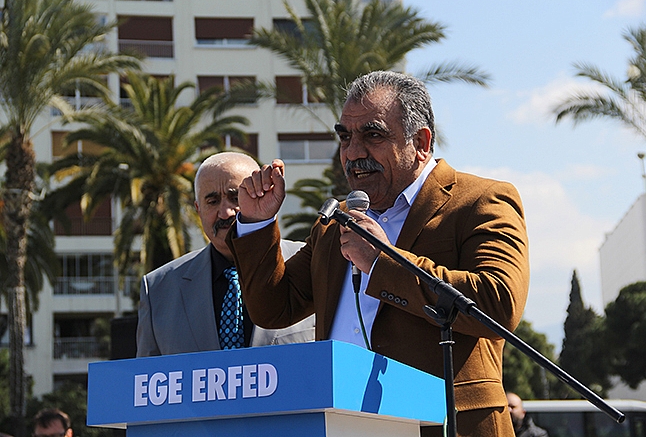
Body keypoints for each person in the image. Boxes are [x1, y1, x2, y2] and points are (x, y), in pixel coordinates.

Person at [228, 71, 529, 437]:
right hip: (342, 424)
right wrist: (257, 224)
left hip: (445, 425)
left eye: (373, 135)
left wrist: (381, 262)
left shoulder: (479, 201)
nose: (353, 152)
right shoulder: (336, 223)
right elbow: (274, 308)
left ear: (420, 142)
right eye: (345, 137)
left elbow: (499, 304)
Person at [136, 152, 315, 356]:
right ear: (198, 209)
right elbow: (147, 373)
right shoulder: (158, 290)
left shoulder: (312, 267)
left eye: (236, 198)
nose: (226, 212)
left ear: (263, 194)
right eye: (212, 201)